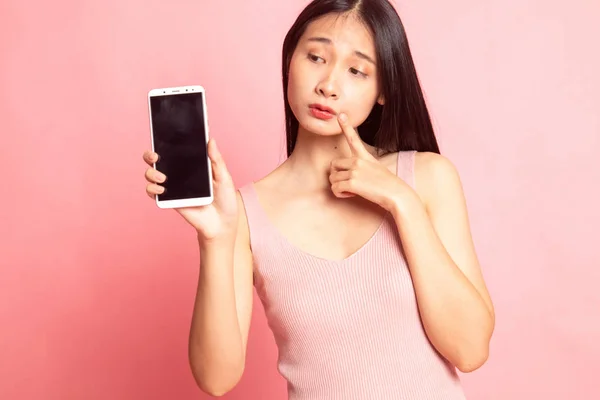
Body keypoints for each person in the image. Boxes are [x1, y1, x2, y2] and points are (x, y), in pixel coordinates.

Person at [143, 0, 495, 398]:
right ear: (290, 60)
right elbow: (216, 378)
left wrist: (403, 203)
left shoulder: (428, 178)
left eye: (356, 70)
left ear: (383, 91)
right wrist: (214, 238)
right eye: (315, 57)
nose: (329, 84)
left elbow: (470, 350)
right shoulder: (243, 215)